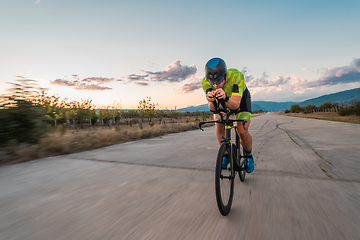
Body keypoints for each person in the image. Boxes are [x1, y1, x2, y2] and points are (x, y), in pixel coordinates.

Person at [202, 57, 254, 173]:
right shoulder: (205, 82)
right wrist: (211, 101)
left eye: (219, 79)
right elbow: (213, 109)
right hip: (223, 100)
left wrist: (225, 98)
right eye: (212, 81)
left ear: (225, 75)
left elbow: (235, 106)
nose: (216, 84)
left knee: (242, 130)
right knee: (218, 123)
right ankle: (225, 154)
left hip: (240, 100)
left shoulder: (236, 76)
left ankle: (248, 156)